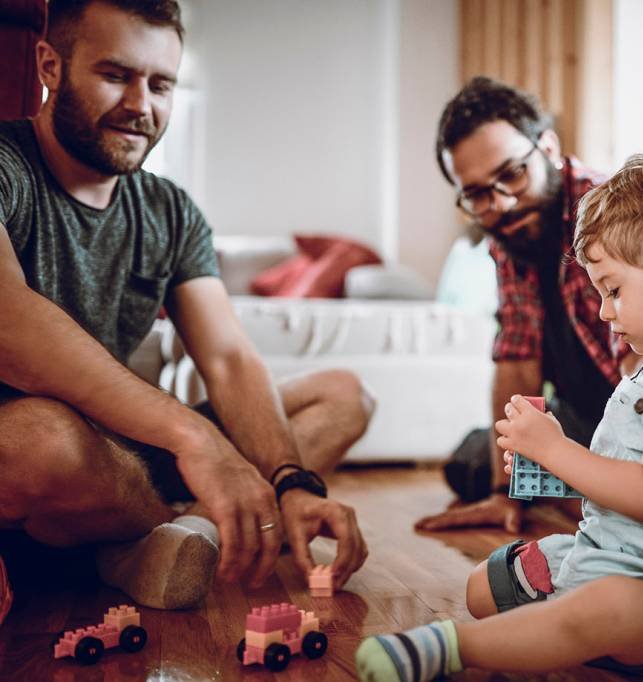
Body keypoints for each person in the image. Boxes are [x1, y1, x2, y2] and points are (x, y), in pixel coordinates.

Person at [356, 155, 643, 680]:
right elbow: (616, 492)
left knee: (609, 607)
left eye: (612, 290)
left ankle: (456, 649)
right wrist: (548, 464)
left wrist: (556, 451)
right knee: (485, 584)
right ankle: (557, 627)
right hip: (613, 552)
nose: (606, 311)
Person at [0, 0, 372, 610]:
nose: (141, 105)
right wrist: (198, 442)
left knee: (342, 395)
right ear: (50, 64)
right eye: (116, 75)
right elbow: (8, 321)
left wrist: (292, 481)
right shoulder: (7, 167)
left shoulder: (169, 210)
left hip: (126, 450)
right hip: (40, 454)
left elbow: (226, 357)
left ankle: (172, 535)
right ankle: (181, 527)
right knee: (42, 440)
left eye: (161, 84)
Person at [416, 77, 643, 534]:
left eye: (511, 174)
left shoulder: (611, 222)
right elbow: (517, 357)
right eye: (478, 194)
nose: (502, 203)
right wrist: (503, 490)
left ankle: (590, 488)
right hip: (601, 404)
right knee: (474, 464)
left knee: (596, 478)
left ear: (547, 148)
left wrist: (586, 476)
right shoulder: (510, 234)